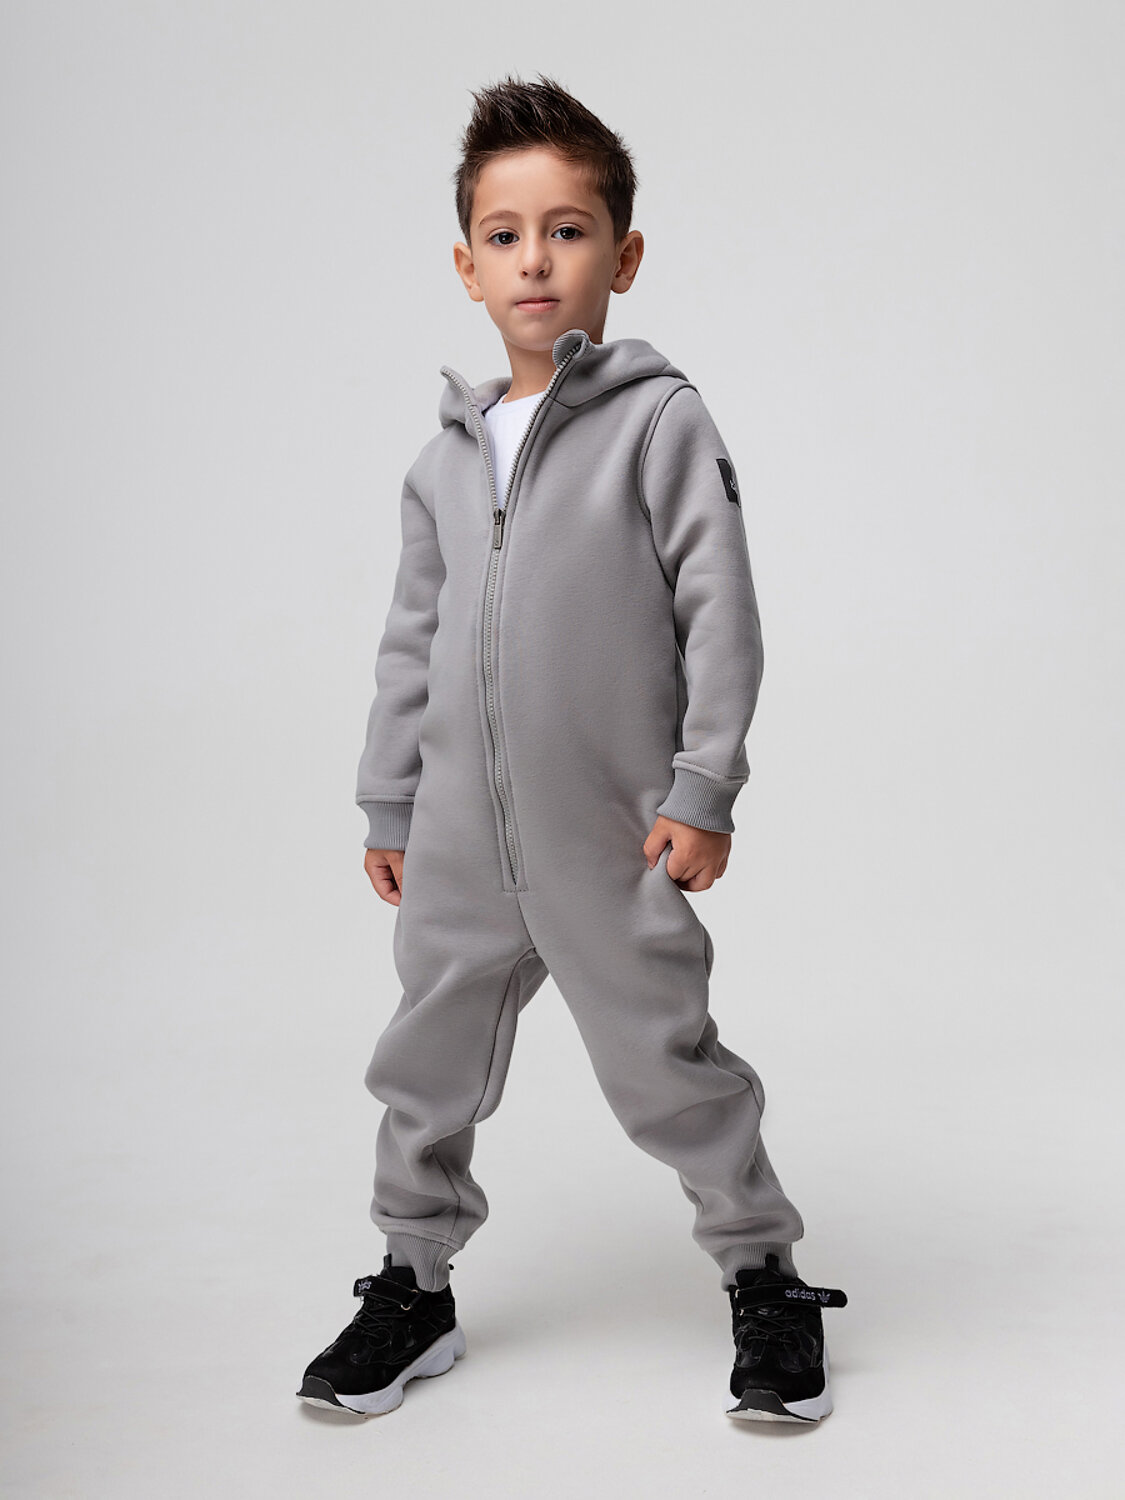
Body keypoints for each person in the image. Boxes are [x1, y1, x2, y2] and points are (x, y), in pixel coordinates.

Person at [297, 73, 848, 1425]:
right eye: (505, 235)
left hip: (608, 830)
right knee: (423, 1066)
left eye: (567, 230)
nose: (534, 259)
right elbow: (410, 638)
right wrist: (388, 800)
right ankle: (412, 1285)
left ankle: (762, 1271)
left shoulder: (660, 423)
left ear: (623, 254)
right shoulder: (442, 460)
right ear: (467, 266)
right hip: (458, 841)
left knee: (668, 1064)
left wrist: (704, 785)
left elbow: (721, 613)